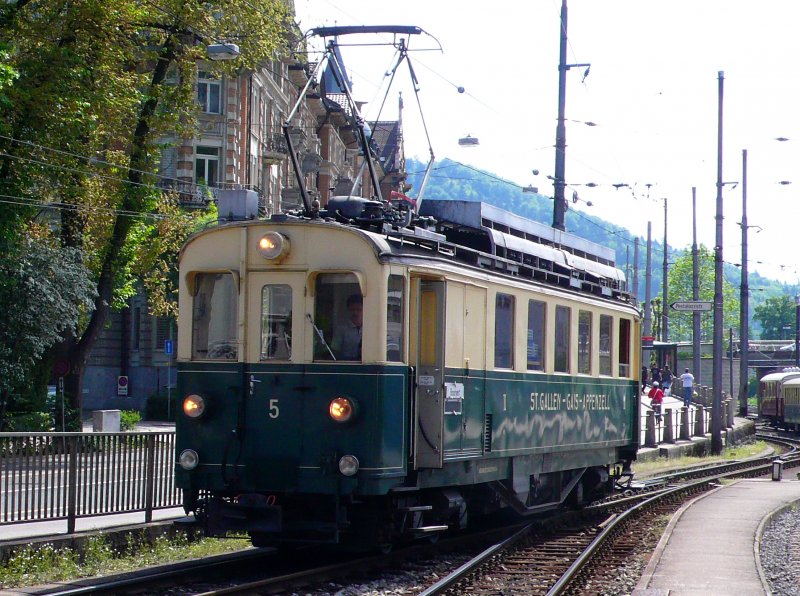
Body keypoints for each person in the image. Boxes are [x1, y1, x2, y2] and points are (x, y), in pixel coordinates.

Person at [332, 294, 363, 360]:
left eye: (358, 309)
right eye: (352, 310)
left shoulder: (371, 329)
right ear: (348, 310)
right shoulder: (341, 329)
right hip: (346, 365)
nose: (355, 313)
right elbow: (334, 351)